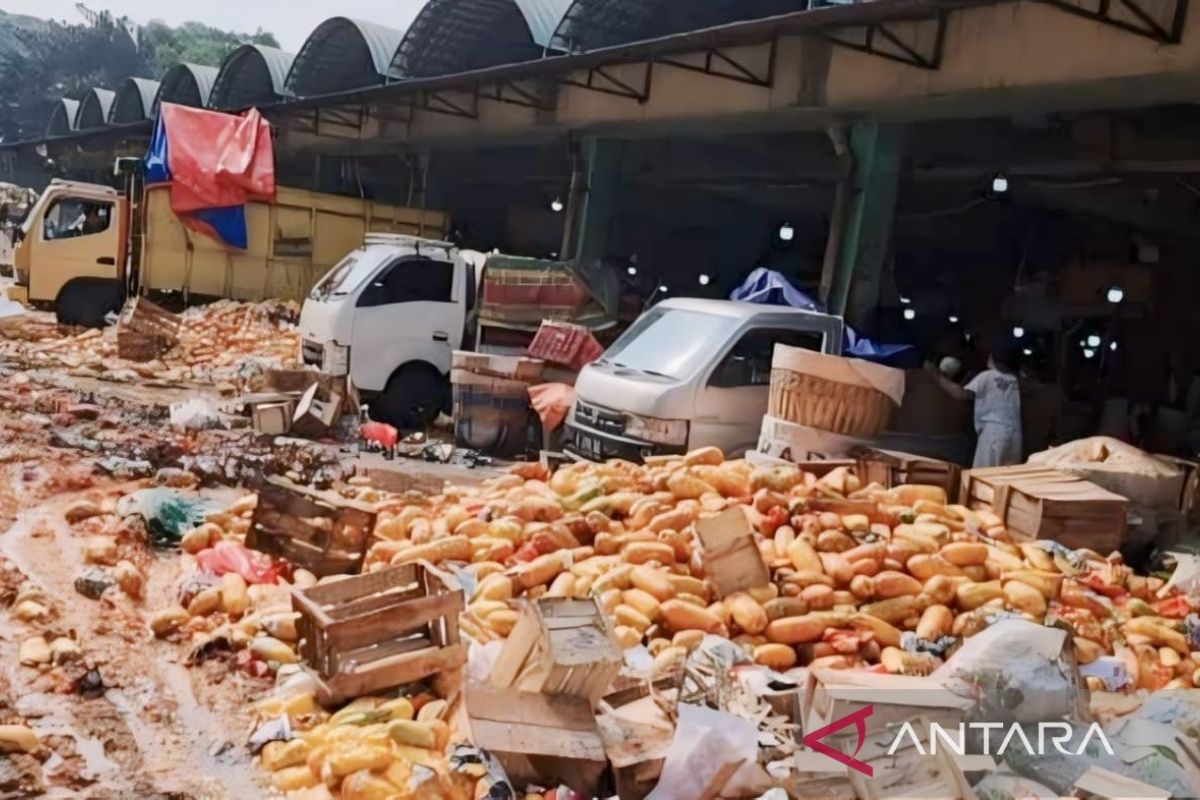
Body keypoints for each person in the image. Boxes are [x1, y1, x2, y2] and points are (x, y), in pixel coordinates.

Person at [930, 347, 1023, 467]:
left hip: (993, 433)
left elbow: (961, 394)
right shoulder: (1015, 380)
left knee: (982, 476)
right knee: (1006, 477)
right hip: (1015, 434)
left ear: (992, 360)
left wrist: (935, 375)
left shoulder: (987, 376)